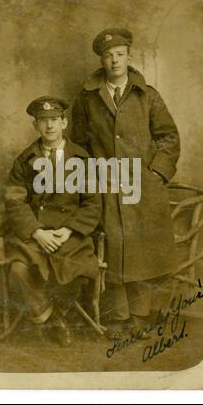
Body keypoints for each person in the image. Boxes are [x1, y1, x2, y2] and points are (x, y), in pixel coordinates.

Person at [71, 28, 180, 338]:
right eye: (108, 55)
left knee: (141, 250)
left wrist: (157, 173)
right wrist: (89, 180)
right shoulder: (88, 98)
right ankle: (119, 318)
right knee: (114, 248)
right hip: (105, 186)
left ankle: (141, 316)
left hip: (143, 188)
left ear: (129, 56)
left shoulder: (148, 95)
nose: (114, 60)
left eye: (119, 54)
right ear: (101, 60)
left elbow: (168, 137)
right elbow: (78, 144)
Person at [4, 96, 102, 346]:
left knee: (78, 270)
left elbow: (93, 203)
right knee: (18, 270)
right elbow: (15, 202)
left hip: (69, 235)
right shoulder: (24, 161)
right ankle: (49, 317)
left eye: (54, 120)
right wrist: (36, 232)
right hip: (36, 236)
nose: (49, 126)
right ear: (35, 126)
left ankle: (59, 312)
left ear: (64, 123)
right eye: (43, 121)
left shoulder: (82, 158)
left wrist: (69, 230)